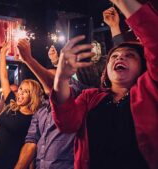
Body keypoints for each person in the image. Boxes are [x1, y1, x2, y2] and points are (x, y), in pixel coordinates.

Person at [50, 1, 158, 169]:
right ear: (106, 69)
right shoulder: (90, 97)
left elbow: (154, 39)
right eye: (114, 56)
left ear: (143, 66)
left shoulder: (149, 91)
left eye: (129, 55)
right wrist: (61, 79)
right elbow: (67, 123)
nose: (120, 57)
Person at [14, 39, 83, 169]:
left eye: (54, 78)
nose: (46, 80)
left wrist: (29, 59)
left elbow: (54, 86)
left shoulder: (77, 99)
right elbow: (31, 141)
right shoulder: (41, 110)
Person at [0, 42, 43, 169]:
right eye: (20, 89)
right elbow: (4, 78)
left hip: (13, 165)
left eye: (25, 91)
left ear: (32, 96)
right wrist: (2, 56)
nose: (20, 93)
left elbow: (32, 148)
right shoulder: (11, 104)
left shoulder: (34, 118)